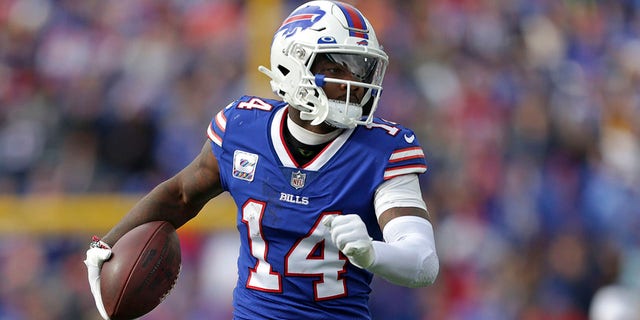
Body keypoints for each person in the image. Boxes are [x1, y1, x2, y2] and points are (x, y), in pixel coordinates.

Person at [84, 1, 439, 319]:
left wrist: (371, 253)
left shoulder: (383, 149)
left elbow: (422, 261)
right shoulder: (243, 129)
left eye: (362, 71)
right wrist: (104, 246)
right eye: (342, 68)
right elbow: (180, 195)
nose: (357, 84)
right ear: (295, 65)